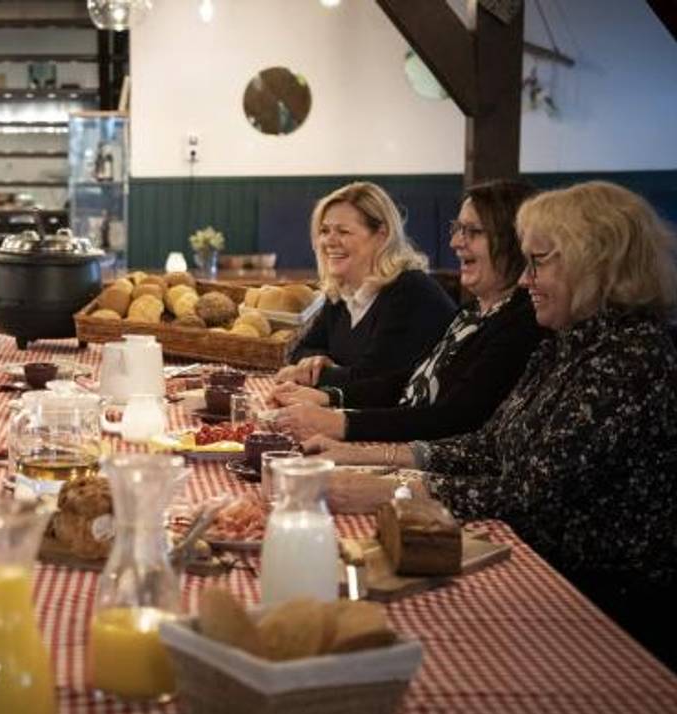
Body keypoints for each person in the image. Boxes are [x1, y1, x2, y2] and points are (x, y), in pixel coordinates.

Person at [309, 181, 677, 667]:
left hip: (600, 610)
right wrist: (370, 460)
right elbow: (489, 446)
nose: (526, 281)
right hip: (538, 572)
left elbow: (527, 493)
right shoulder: (566, 344)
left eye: (539, 262)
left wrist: (388, 489)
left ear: (595, 265)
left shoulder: (630, 360)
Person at [270, 180, 547, 441]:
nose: (455, 243)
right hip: (405, 437)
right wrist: (331, 397)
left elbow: (452, 418)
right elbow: (408, 379)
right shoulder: (473, 313)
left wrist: (338, 420)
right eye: (458, 229)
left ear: (514, 241)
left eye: (472, 232)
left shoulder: (518, 320)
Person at [276, 181, 457, 387]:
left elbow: (372, 382)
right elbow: (302, 350)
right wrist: (316, 362)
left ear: (382, 235)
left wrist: (307, 375)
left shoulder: (409, 290)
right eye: (324, 231)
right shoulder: (341, 294)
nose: (329, 241)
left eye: (343, 231)